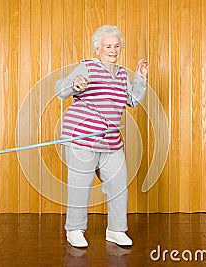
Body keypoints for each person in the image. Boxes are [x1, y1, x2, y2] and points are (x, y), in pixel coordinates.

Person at [55, 25, 149, 248]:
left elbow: (133, 100)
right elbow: (61, 90)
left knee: (118, 185)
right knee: (81, 185)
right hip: (82, 137)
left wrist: (142, 78)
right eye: (108, 46)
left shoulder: (123, 73)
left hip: (110, 140)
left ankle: (116, 230)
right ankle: (75, 229)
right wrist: (74, 85)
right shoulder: (87, 67)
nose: (113, 50)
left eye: (117, 46)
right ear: (98, 48)